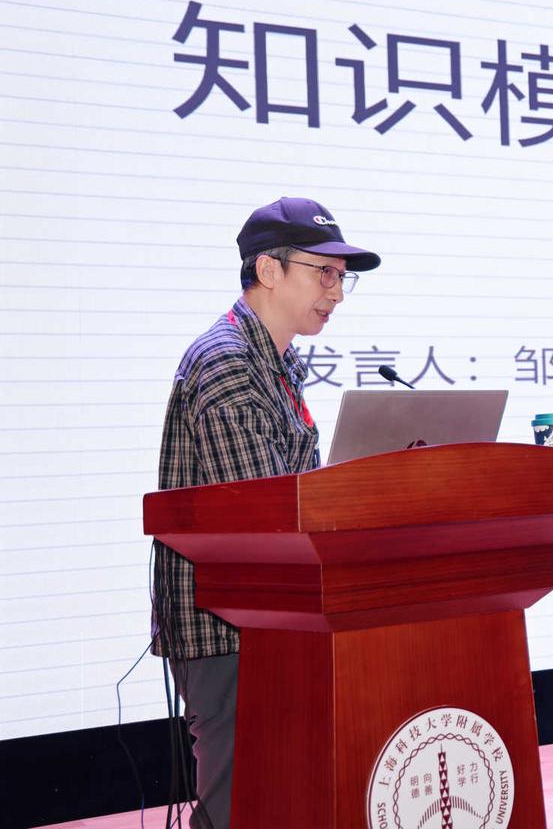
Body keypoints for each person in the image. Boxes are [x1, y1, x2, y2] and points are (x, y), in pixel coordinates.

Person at [149, 197, 380, 829]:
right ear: (269, 270)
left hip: (275, 619)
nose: (336, 292)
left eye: (342, 277)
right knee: (240, 804)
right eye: (323, 272)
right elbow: (265, 515)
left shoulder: (278, 363)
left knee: (279, 796)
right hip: (229, 625)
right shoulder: (227, 362)